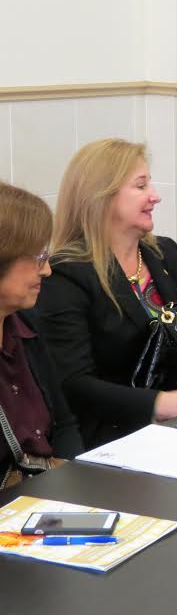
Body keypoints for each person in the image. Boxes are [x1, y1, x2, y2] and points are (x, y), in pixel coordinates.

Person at [34, 139, 177, 449]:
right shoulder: (65, 276)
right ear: (102, 197)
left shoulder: (163, 253)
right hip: (114, 439)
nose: (155, 196)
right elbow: (74, 385)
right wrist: (164, 403)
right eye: (141, 186)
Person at [0, 183, 83, 488]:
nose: (46, 270)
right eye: (37, 256)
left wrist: (78, 481)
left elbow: (64, 424)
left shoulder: (26, 324)